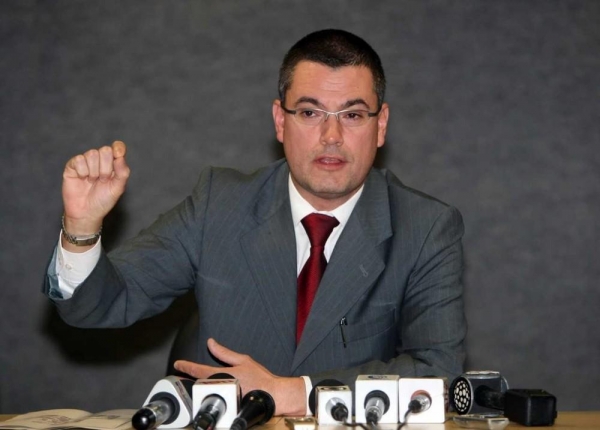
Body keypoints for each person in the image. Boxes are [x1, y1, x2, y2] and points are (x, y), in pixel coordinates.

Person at [44, 29, 466, 416]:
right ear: (280, 121)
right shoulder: (219, 205)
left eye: (352, 115)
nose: (332, 136)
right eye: (310, 113)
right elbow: (98, 306)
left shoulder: (426, 227)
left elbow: (439, 375)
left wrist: (293, 393)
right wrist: (82, 228)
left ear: (381, 125)